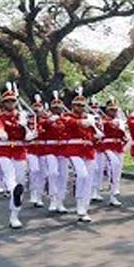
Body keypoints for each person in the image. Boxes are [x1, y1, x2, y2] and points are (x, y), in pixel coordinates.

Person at [0, 85, 35, 229]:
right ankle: (13, 191)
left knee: (21, 182)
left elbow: (29, 136)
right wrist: (0, 133)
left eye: (12, 101)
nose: (10, 103)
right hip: (4, 149)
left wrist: (25, 127)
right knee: (9, 177)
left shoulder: (22, 116)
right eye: (7, 101)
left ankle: (14, 215)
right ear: (3, 103)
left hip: (19, 150)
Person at [59, 90, 100, 222]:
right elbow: (69, 123)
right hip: (74, 150)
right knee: (82, 175)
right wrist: (83, 122)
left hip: (88, 150)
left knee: (89, 180)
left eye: (82, 105)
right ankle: (78, 200)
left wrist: (97, 132)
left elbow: (95, 135)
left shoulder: (89, 118)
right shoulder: (67, 116)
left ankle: (83, 208)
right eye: (77, 105)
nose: (80, 108)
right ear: (73, 106)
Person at [92, 98, 128, 207]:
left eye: (115, 110)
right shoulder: (102, 120)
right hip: (106, 147)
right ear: (107, 110)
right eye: (111, 110)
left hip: (118, 147)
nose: (114, 112)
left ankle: (113, 194)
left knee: (117, 170)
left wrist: (123, 130)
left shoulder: (119, 120)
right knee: (101, 169)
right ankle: (96, 191)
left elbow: (123, 135)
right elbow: (100, 131)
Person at [43, 93, 70, 213]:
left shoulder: (66, 119)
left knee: (64, 175)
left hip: (63, 149)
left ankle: (60, 201)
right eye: (55, 108)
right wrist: (49, 121)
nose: (57, 110)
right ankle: (53, 198)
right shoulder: (47, 119)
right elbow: (41, 126)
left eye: (59, 107)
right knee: (53, 172)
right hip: (50, 149)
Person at [26, 95, 47, 208]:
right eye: (35, 109)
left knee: (43, 174)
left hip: (43, 150)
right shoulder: (28, 121)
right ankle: (33, 193)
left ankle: (39, 196)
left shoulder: (45, 121)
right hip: (31, 149)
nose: (37, 110)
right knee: (34, 170)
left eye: (39, 108)